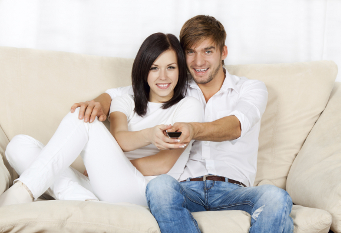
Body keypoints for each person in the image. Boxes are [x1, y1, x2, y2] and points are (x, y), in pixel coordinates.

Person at [73, 15, 294, 233]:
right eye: (191, 52)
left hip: (234, 189)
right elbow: (123, 92)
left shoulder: (250, 89)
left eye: (208, 51)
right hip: (184, 188)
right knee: (159, 187)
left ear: (223, 52)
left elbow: (235, 126)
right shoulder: (175, 86)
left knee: (276, 196)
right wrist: (99, 102)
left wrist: (193, 129)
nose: (198, 62)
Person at [0, 33, 203, 207]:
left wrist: (102, 168)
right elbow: (120, 139)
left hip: (143, 190)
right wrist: (149, 135)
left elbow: (164, 164)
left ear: (180, 70)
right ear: (143, 70)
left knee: (81, 118)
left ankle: (19, 194)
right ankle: (85, 202)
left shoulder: (189, 105)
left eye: (171, 67)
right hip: (104, 185)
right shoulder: (124, 100)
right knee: (17, 146)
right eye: (154, 68)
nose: (163, 76)